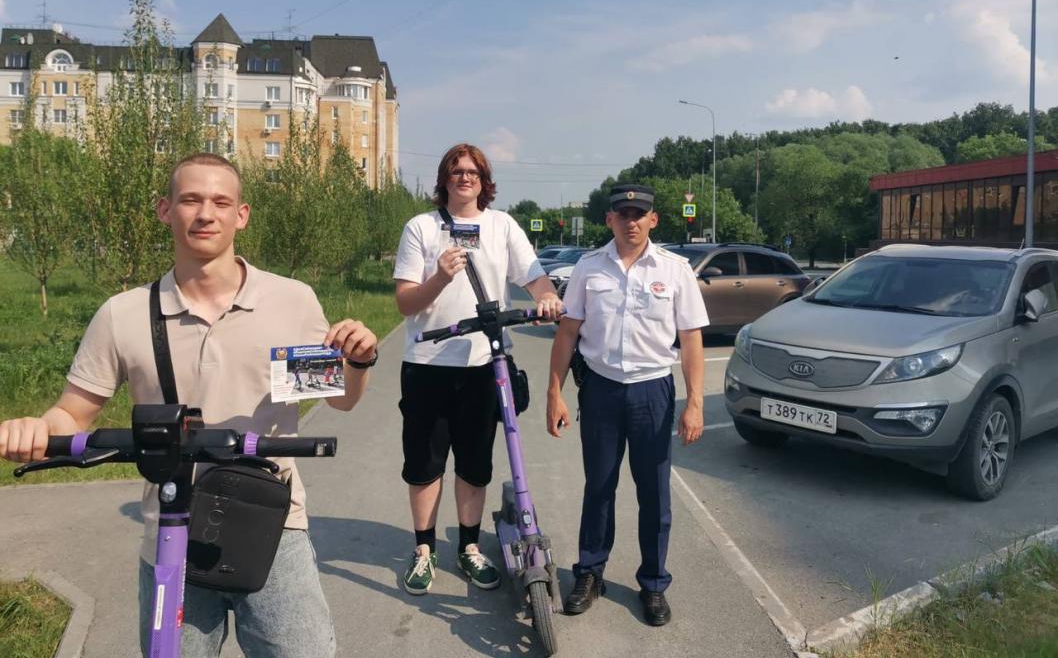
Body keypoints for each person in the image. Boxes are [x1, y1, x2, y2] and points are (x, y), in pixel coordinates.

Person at [0, 153, 378, 658]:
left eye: (221, 202)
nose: (206, 214)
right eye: (190, 200)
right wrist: (36, 428)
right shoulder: (124, 314)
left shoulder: (290, 302)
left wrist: (359, 360)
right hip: (171, 528)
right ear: (165, 209)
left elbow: (341, 399)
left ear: (241, 215)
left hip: (273, 523)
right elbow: (72, 412)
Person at [393, 142, 562, 595]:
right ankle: (424, 549)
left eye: (473, 172)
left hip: (484, 362)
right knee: (425, 463)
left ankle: (469, 547)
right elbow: (405, 302)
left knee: (474, 461)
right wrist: (439, 277)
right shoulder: (421, 227)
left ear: (484, 181)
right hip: (428, 363)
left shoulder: (501, 225)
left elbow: (534, 276)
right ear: (444, 180)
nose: (464, 178)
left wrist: (547, 295)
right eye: (456, 171)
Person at [545, 183, 707, 627]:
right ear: (609, 219)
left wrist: (694, 403)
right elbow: (567, 332)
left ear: (653, 219)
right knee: (599, 486)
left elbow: (691, 339)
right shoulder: (588, 268)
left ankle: (653, 583)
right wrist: (555, 393)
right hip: (601, 389)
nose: (631, 221)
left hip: (652, 391)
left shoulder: (675, 270)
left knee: (654, 493)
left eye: (639, 214)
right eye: (623, 213)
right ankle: (590, 572)